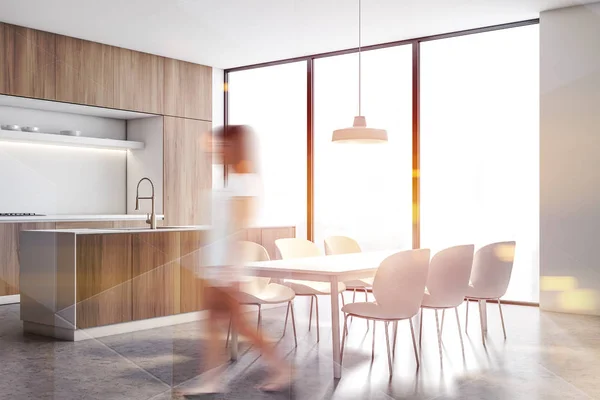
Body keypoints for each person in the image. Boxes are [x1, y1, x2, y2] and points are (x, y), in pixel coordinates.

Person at [178, 125, 291, 396]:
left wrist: (228, 269)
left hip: (225, 268)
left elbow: (239, 226)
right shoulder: (231, 180)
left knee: (238, 326)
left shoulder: (245, 181)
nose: (217, 150)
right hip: (215, 265)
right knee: (217, 325)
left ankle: (280, 369)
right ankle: (213, 380)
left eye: (223, 145)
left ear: (235, 147)